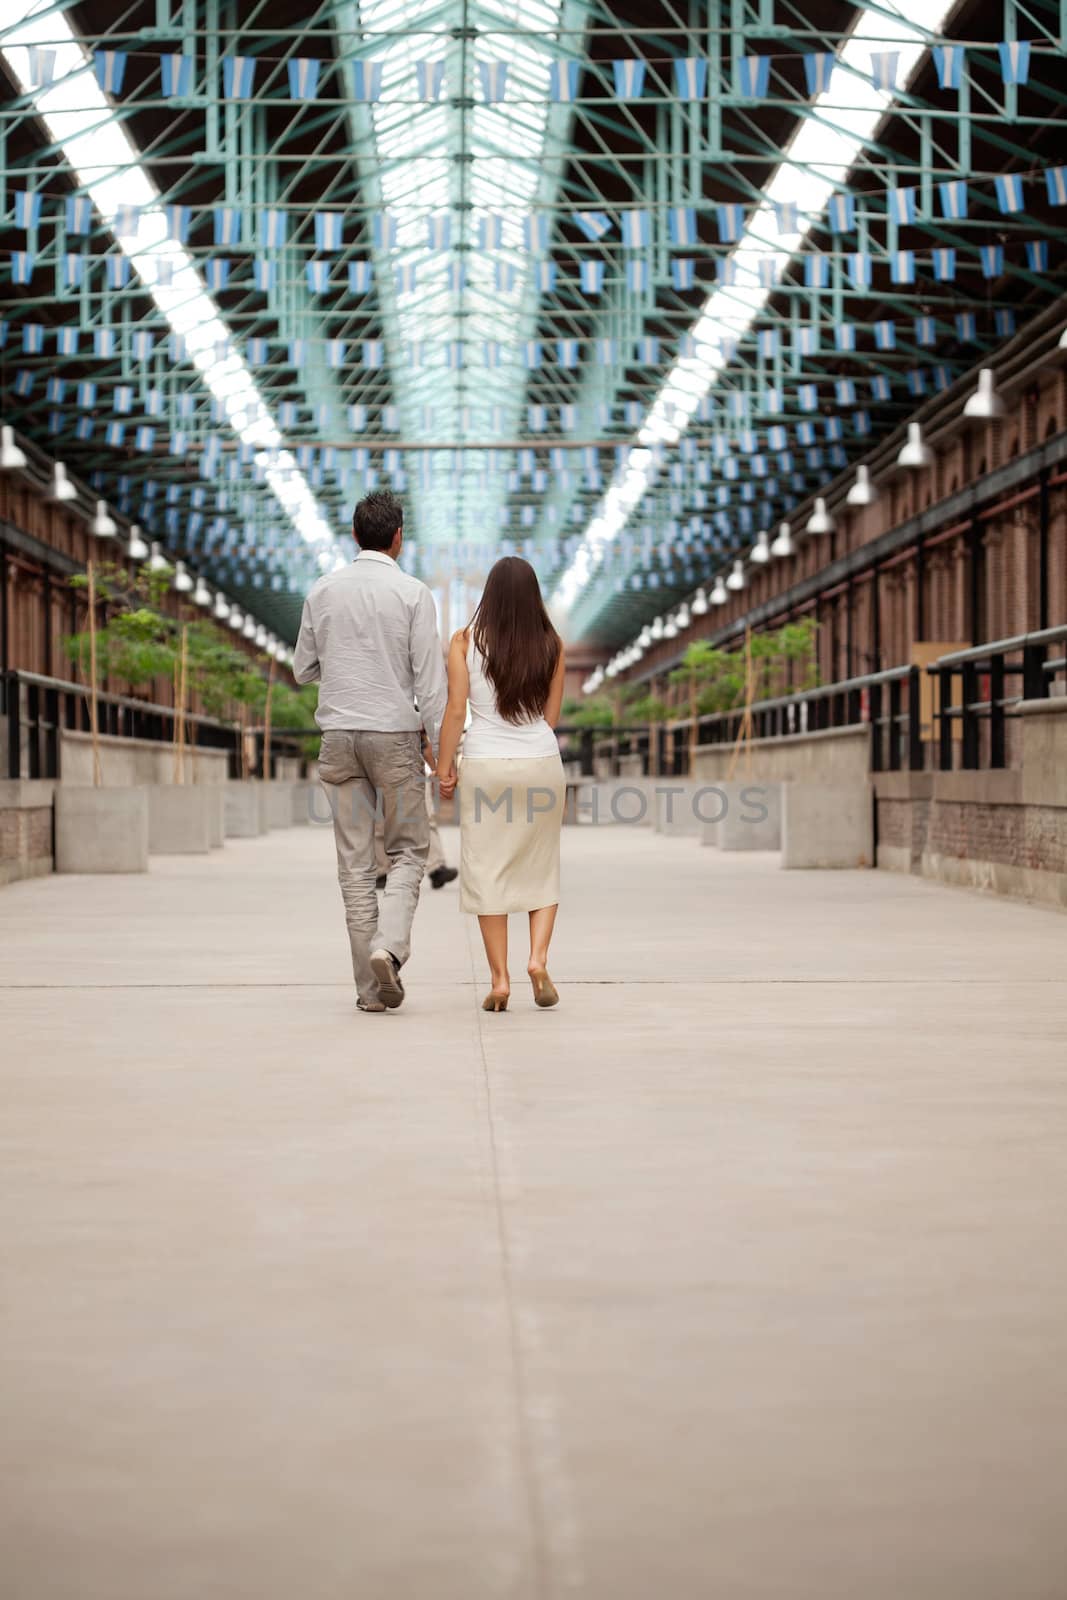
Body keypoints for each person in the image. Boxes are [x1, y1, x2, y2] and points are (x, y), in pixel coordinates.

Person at [293, 490, 446, 1014]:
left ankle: (369, 992)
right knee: (408, 852)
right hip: (394, 738)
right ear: (399, 539)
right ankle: (389, 947)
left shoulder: (322, 590)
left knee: (355, 867)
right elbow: (431, 683)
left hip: (338, 740)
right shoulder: (413, 594)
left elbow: (302, 669)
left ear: (354, 536)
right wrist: (441, 751)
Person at [436, 557, 565, 1013]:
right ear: (534, 596)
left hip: (486, 763)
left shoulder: (464, 642)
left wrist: (443, 768)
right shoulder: (552, 644)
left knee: (487, 868)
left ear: (488, 595)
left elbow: (455, 711)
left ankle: (500, 981)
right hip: (541, 762)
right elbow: (551, 718)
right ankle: (538, 959)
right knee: (541, 865)